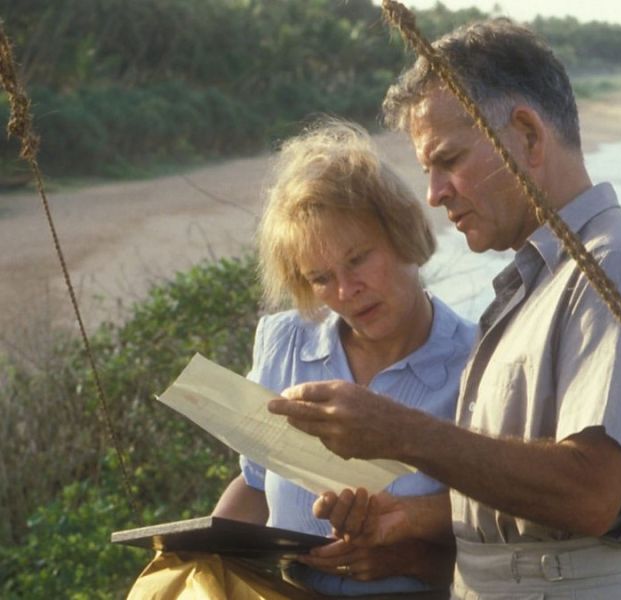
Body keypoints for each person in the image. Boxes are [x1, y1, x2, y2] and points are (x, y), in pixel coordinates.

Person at [269, 19, 621, 599]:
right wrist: (412, 518)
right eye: (428, 170)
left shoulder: (617, 263)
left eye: (448, 160)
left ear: (527, 135)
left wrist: (396, 432)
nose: (434, 193)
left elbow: (589, 493)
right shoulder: (542, 278)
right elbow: (517, 490)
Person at [128, 120, 476, 598]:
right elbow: (255, 483)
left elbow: (509, 537)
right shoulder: (286, 342)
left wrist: (409, 561)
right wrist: (201, 552)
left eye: (357, 259)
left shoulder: (478, 360)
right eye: (320, 278)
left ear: (405, 234)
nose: (346, 291)